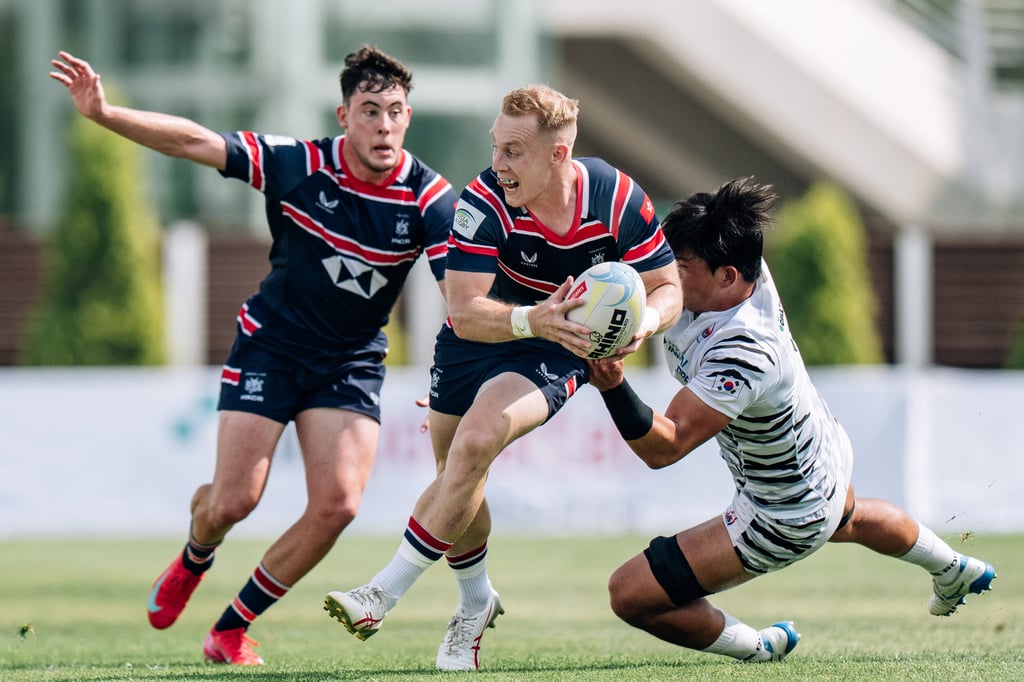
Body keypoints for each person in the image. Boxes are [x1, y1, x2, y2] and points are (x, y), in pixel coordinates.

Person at [49, 47, 458, 665]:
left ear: (408, 118)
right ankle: (195, 555)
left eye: (395, 112)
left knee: (338, 506)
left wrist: (455, 374)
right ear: (344, 116)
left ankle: (230, 629)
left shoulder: (429, 198)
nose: (384, 126)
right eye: (370, 111)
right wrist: (106, 114)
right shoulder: (300, 164)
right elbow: (194, 141)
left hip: (349, 362)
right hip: (272, 346)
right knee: (232, 502)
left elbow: (463, 298)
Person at [322, 84, 683, 670]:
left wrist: (641, 324)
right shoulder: (484, 199)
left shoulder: (615, 197)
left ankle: (379, 594)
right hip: (482, 334)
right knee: (457, 477)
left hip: (561, 344)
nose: (498, 164)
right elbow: (465, 310)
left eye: (513, 151)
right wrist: (530, 317)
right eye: (496, 147)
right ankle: (476, 602)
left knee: (476, 442)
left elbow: (668, 287)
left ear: (558, 155)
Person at [588, 176, 998, 662]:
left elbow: (666, 447)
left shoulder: (743, 350)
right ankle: (953, 567)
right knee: (850, 516)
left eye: (679, 268)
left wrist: (612, 385)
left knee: (630, 594)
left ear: (728, 277)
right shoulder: (742, 271)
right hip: (819, 448)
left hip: (782, 511)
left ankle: (759, 647)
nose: (665, 277)